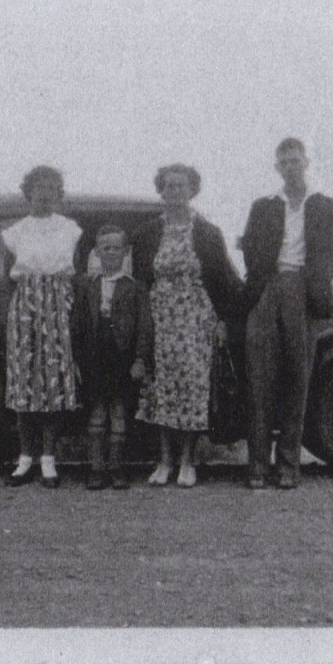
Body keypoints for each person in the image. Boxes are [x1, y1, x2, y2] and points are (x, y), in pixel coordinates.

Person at [239, 138, 333, 490]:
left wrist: (316, 284)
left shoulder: (325, 206)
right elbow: (251, 247)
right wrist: (262, 282)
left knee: (296, 380)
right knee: (260, 379)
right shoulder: (264, 206)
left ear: (306, 162)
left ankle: (288, 466)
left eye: (295, 161)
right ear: (277, 168)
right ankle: (257, 466)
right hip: (268, 288)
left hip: (303, 290)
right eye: (284, 162)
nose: (290, 167)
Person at [132, 164, 243, 487]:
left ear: (192, 190)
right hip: (161, 317)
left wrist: (223, 320)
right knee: (161, 388)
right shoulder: (148, 233)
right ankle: (164, 459)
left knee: (193, 387)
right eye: (168, 186)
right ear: (161, 191)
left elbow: (223, 280)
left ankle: (188, 461)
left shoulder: (207, 232)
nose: (175, 191)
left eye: (181, 186)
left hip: (196, 318)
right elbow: (141, 280)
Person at [2, 165, 82, 489]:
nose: (44, 194)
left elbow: (73, 272)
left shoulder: (71, 229)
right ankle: (24, 459)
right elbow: (11, 277)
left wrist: (58, 306)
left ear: (58, 194)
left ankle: (48, 460)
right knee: (24, 382)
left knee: (52, 383)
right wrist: (25, 309)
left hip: (58, 303)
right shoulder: (14, 232)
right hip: (25, 306)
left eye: (51, 188)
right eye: (38, 187)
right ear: (28, 192)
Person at [72, 224, 154, 490]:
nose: (111, 253)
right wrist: (75, 358)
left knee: (119, 415)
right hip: (95, 356)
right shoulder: (87, 285)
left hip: (122, 356)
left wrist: (140, 359)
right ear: (96, 252)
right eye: (105, 248)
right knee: (96, 414)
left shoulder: (135, 287)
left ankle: (117, 468)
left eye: (116, 248)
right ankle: (96, 468)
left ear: (126, 252)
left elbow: (144, 326)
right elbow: (77, 324)